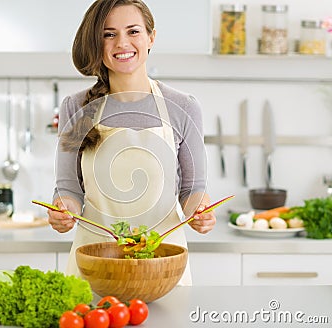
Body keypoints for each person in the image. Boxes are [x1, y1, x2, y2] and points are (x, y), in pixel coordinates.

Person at [48, 0, 216, 286]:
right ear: (96, 42)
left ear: (151, 37)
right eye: (108, 34)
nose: (121, 43)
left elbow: (192, 190)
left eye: (133, 31)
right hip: (95, 262)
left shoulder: (183, 107)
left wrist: (200, 212)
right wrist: (63, 211)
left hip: (163, 263)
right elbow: (68, 189)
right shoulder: (76, 108)